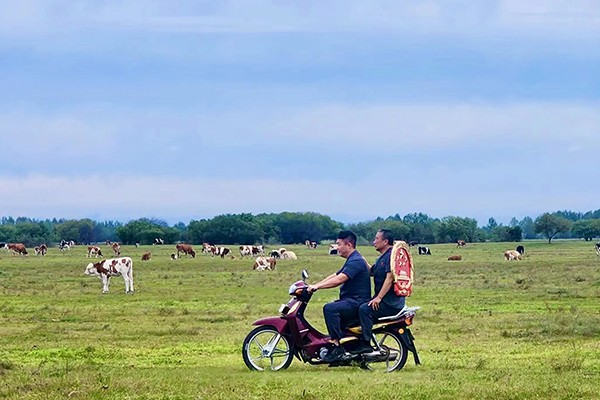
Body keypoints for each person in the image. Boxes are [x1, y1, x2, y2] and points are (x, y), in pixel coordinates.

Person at [308, 230, 371, 363]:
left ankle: (336, 345)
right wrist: (316, 284)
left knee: (330, 308)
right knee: (335, 307)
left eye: (339, 244)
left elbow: (339, 279)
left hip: (357, 301)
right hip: (351, 300)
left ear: (349, 245)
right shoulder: (352, 259)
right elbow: (336, 275)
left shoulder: (356, 261)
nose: (337, 248)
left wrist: (317, 287)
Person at [356, 229, 406, 354]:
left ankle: (366, 344)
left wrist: (379, 297)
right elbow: (372, 271)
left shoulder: (390, 257)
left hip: (389, 303)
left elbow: (390, 278)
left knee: (364, 309)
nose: (374, 242)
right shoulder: (382, 258)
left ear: (385, 241)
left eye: (376, 239)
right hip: (387, 300)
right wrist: (359, 258)